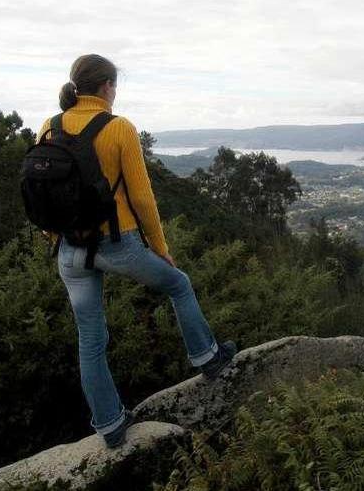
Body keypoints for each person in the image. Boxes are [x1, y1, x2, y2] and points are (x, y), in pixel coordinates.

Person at [37, 54, 237, 449]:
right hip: (118, 242)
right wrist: (161, 248)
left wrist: (54, 237)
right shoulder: (119, 128)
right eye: (115, 86)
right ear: (107, 87)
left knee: (90, 338)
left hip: (70, 250)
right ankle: (207, 358)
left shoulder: (49, 126)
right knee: (178, 285)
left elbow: (40, 190)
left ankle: (110, 426)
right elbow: (143, 198)